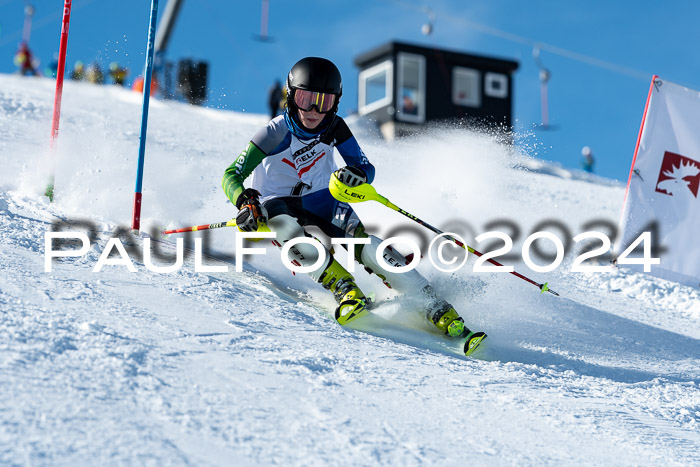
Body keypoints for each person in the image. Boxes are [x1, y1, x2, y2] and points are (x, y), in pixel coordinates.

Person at [222, 57, 485, 353]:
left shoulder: (335, 125)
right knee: (285, 227)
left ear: (335, 103)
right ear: (290, 96)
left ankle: (435, 306)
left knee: (366, 244)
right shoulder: (275, 132)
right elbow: (231, 175)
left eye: (322, 101)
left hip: (323, 197)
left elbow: (364, 166)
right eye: (304, 98)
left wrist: (358, 175)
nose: (312, 110)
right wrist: (245, 201)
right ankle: (345, 289)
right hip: (276, 203)